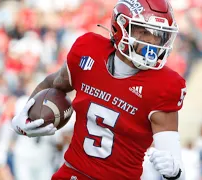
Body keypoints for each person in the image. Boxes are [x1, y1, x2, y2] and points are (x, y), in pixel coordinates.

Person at [11, 0, 187, 179]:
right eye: (143, 32)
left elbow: (176, 168)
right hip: (72, 173)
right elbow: (54, 82)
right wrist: (24, 117)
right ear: (120, 29)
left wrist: (174, 172)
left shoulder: (165, 85)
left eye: (159, 35)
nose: (152, 42)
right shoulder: (88, 51)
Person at [0, 95, 75, 180]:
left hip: (45, 157)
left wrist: (62, 138)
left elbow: (60, 138)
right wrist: (0, 160)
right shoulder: (22, 102)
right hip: (24, 155)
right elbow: (8, 128)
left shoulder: (58, 106)